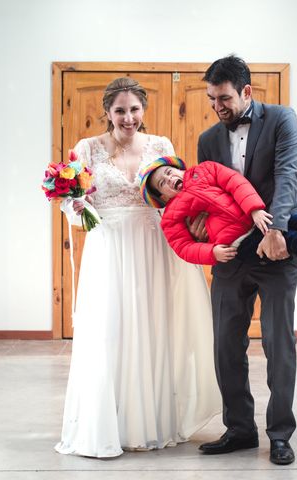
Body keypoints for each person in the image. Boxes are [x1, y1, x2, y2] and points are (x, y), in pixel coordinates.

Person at [54, 77, 220, 458]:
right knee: (109, 329)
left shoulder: (161, 145)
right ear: (107, 113)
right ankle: (109, 422)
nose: (128, 118)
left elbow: (177, 194)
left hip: (153, 246)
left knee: (154, 327)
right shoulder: (87, 148)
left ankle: (153, 421)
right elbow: (71, 200)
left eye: (134, 110)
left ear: (142, 110)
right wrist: (76, 208)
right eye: (119, 111)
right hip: (109, 247)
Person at [189, 55, 297, 465]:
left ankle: (280, 434)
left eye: (223, 98)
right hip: (231, 253)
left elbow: (289, 175)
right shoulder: (208, 140)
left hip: (276, 248)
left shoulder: (281, 119)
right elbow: (209, 190)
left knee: (278, 344)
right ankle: (239, 429)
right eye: (211, 98)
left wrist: (277, 231)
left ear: (247, 91)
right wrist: (201, 220)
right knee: (225, 344)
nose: (217, 106)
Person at [138, 155, 297, 301]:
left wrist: (254, 208)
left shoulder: (206, 170)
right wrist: (211, 253)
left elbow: (235, 182)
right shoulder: (171, 215)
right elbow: (182, 246)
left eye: (169, 172)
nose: (170, 179)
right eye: (163, 184)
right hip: (240, 242)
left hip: (257, 220)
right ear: (163, 197)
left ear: (179, 167)